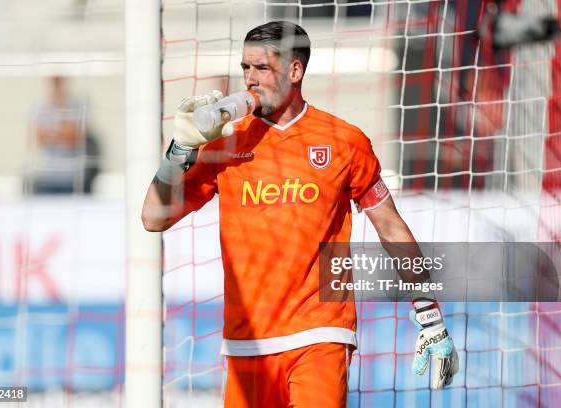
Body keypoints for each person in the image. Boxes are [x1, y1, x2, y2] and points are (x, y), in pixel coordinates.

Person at [142, 21, 458, 407]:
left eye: (262, 68)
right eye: (245, 68)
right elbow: (153, 218)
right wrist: (179, 152)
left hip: (319, 336)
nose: (250, 80)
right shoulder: (226, 143)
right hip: (246, 343)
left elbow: (389, 225)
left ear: (295, 71)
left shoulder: (344, 141)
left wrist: (428, 312)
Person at [30, 76, 100, 194]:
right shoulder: (41, 107)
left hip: (73, 178)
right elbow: (39, 139)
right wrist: (63, 132)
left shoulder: (77, 105)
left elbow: (74, 138)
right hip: (49, 175)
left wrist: (51, 133)